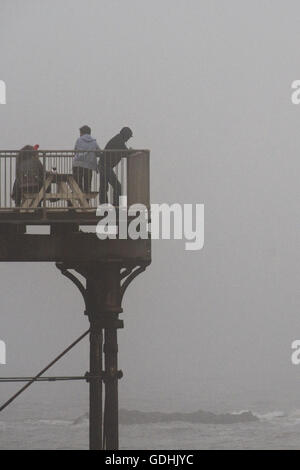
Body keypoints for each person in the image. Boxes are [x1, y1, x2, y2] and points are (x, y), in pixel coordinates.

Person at [99, 126, 133, 205]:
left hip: (103, 165)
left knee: (103, 187)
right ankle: (116, 206)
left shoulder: (118, 139)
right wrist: (131, 151)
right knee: (117, 187)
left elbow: (124, 151)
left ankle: (104, 205)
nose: (128, 139)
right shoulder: (119, 141)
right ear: (125, 135)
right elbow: (125, 152)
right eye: (128, 137)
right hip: (105, 166)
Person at [73, 125, 100, 194]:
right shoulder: (94, 142)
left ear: (82, 133)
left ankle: (79, 195)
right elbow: (99, 152)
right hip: (89, 165)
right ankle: (86, 200)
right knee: (87, 185)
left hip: (78, 164)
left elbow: (75, 151)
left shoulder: (79, 140)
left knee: (77, 184)